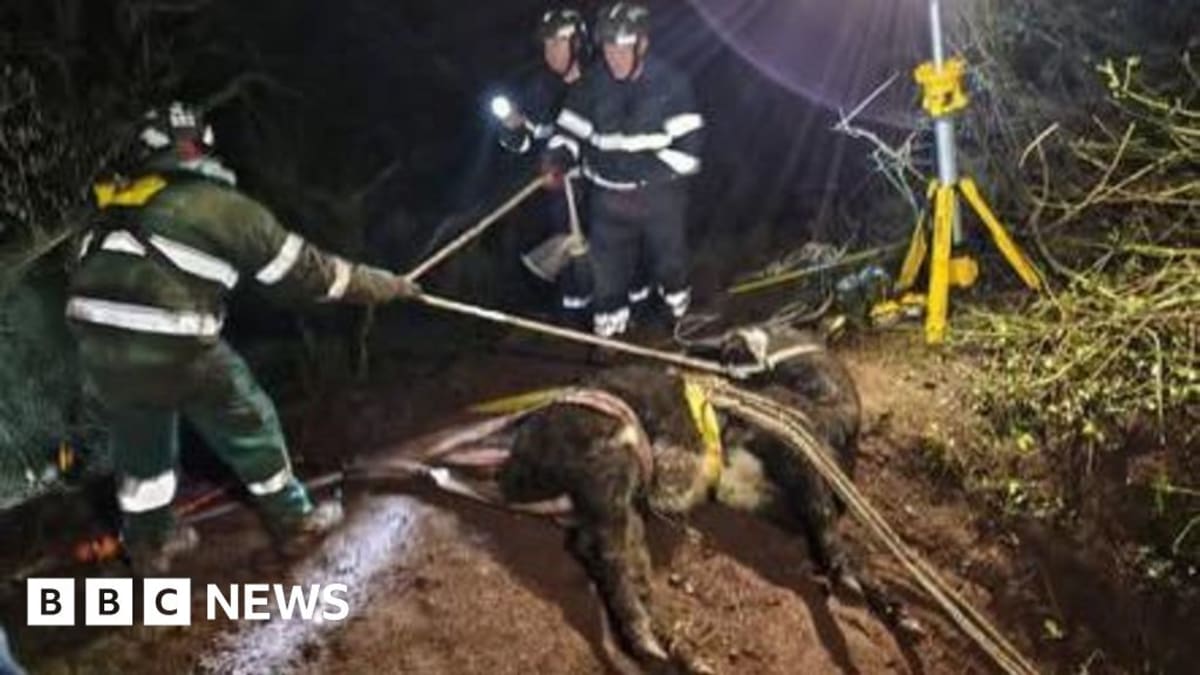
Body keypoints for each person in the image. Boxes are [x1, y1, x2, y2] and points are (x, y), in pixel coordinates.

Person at [66, 102, 421, 575]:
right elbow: (308, 274)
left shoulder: (114, 203)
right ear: (197, 147)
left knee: (142, 444)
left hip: (98, 344)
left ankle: (150, 545)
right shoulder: (219, 205)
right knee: (247, 418)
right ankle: (296, 523)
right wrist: (386, 286)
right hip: (173, 336)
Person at [543, 2, 704, 338]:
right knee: (608, 280)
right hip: (608, 202)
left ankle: (679, 325)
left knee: (669, 266)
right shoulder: (591, 86)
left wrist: (635, 172)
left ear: (642, 45)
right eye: (608, 47)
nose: (614, 56)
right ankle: (611, 341)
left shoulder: (672, 86)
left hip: (660, 198)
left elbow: (688, 155)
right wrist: (558, 157)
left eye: (622, 47)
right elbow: (569, 132)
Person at [496, 7, 594, 315]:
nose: (550, 52)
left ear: (577, 44)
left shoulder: (602, 85)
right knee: (570, 264)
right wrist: (513, 128)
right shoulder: (542, 92)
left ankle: (625, 324)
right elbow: (526, 142)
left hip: (602, 189)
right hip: (562, 195)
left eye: (558, 43)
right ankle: (574, 323)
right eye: (547, 45)